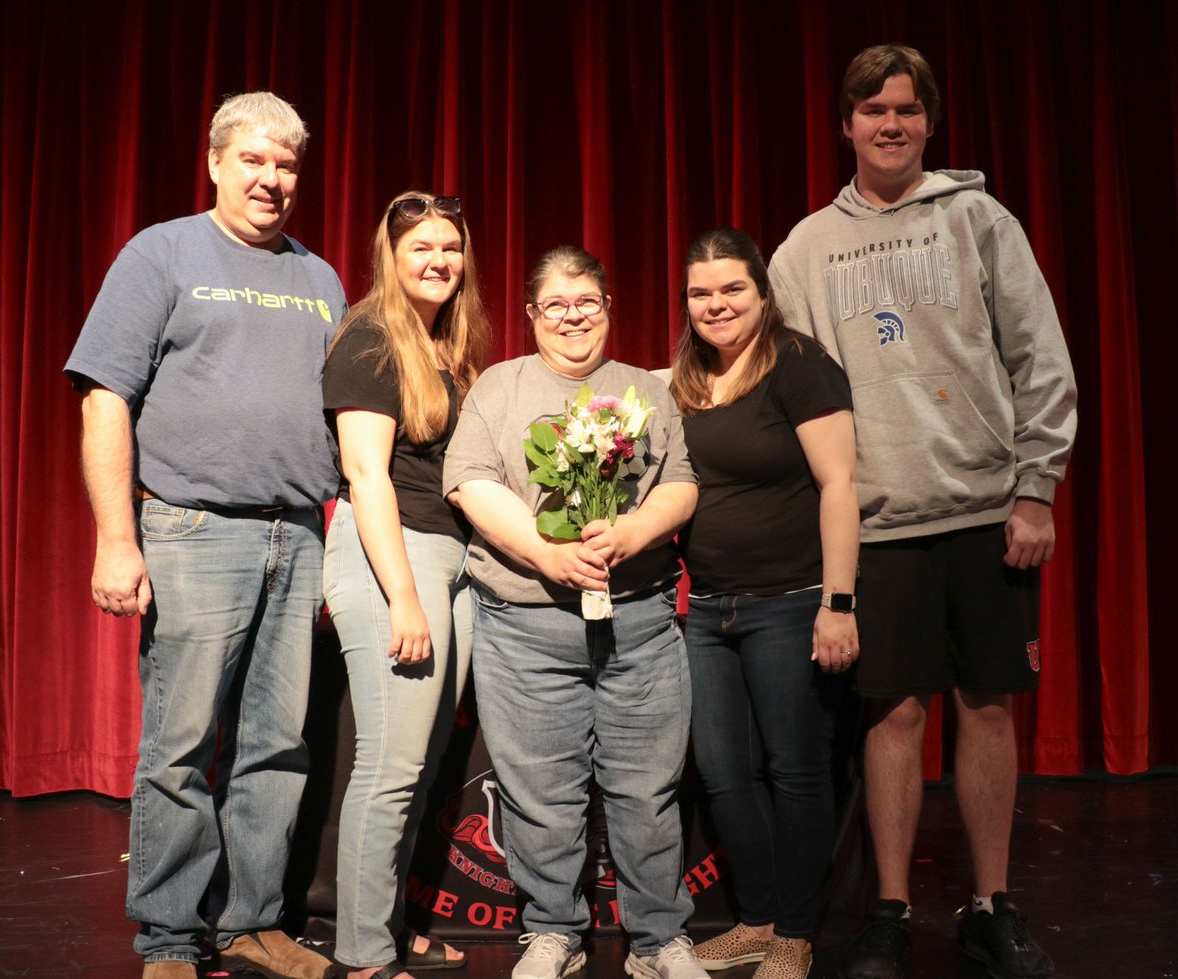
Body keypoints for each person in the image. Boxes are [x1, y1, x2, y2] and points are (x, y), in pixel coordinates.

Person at [767, 44, 1077, 979]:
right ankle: (892, 912)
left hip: (987, 511)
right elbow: (793, 397)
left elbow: (1040, 358)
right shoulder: (805, 248)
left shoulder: (980, 220)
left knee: (987, 708)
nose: (889, 124)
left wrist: (1036, 487)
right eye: (872, 110)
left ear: (929, 123)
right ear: (846, 125)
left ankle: (991, 904)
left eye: (905, 109)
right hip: (879, 521)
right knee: (894, 716)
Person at [63, 93, 345, 979]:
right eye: (255, 160)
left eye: (287, 165)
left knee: (278, 743)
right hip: (191, 527)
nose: (271, 180)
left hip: (298, 533)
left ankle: (253, 921)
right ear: (216, 161)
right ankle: (172, 937)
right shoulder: (162, 252)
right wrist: (118, 536)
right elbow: (105, 393)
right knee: (180, 743)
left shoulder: (323, 277)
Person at [444, 246, 706, 979]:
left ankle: (658, 941)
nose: (572, 317)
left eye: (586, 301)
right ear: (531, 315)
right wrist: (543, 553)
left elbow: (680, 483)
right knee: (539, 795)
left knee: (647, 789)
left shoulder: (644, 389)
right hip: (526, 625)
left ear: (608, 306)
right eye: (555, 305)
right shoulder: (498, 388)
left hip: (639, 622)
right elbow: (467, 483)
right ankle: (553, 932)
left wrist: (631, 531)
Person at [669, 228, 858, 979]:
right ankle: (756, 917)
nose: (715, 304)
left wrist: (838, 601)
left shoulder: (800, 364)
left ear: (761, 292)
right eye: (700, 292)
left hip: (791, 601)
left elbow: (841, 485)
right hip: (708, 609)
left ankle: (796, 931)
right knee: (721, 769)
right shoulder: (686, 375)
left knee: (796, 769)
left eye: (731, 289)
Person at [321, 192, 490, 979]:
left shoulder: (440, 344)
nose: (438, 260)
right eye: (421, 245)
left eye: (450, 247)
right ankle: (363, 954)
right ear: (390, 255)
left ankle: (387, 924)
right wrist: (405, 597)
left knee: (416, 764)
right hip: (394, 557)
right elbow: (364, 474)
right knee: (388, 768)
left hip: (446, 558)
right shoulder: (370, 336)